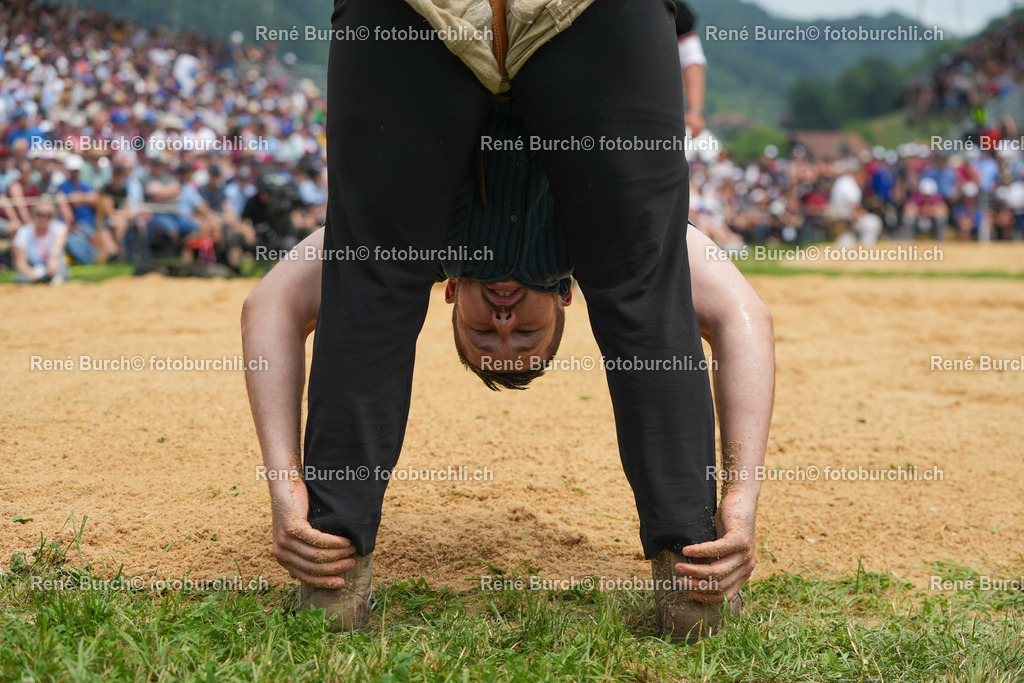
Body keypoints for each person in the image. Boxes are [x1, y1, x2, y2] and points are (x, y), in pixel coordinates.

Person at [250, 65, 774, 639]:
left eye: (483, 336)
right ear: (566, 297)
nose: (503, 321)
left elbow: (270, 305)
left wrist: (285, 482)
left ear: (449, 293)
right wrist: (741, 495)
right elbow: (742, 317)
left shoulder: (413, 243)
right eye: (524, 336)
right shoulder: (600, 242)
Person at [12, 195, 68, 284]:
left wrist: (52, 261)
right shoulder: (24, 232)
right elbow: (20, 263)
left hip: (54, 269)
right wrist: (31, 273)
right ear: (33, 213)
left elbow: (55, 252)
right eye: (40, 214)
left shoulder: (59, 228)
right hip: (33, 271)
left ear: (53, 215)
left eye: (48, 215)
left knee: (59, 263)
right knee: (21, 279)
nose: (43, 218)